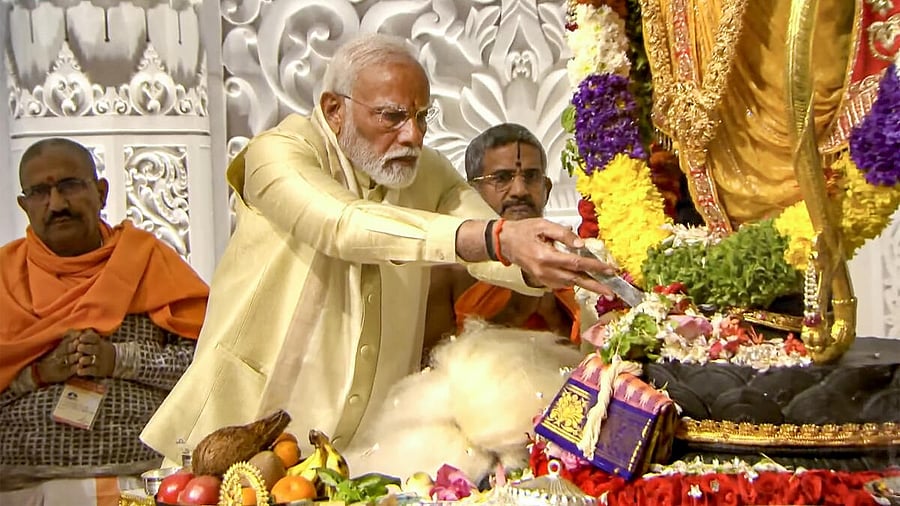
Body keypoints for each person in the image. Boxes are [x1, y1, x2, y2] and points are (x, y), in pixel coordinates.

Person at [141, 33, 612, 461]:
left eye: (421, 116)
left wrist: (546, 259)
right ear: (334, 109)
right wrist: (499, 239)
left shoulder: (425, 169)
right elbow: (343, 225)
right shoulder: (276, 155)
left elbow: (481, 230)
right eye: (392, 116)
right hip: (240, 434)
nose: (413, 135)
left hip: (363, 452)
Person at [0, 138, 209, 505]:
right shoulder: (4, 276)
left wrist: (119, 359)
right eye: (40, 192)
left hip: (136, 480)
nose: (57, 204)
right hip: (18, 486)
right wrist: (38, 374)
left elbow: (207, 366)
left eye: (69, 185)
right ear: (24, 205)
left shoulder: (147, 261)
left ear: (101, 192)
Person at [423, 124, 581, 359]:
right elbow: (427, 368)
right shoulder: (448, 270)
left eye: (531, 176)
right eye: (501, 178)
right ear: (472, 191)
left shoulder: (571, 260)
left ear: (546, 189)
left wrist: (555, 315)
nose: (519, 190)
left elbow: (590, 362)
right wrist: (513, 313)